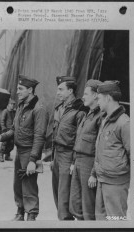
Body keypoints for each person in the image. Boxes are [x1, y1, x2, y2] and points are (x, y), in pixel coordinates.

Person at [0, 75, 47, 221]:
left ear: (30, 89)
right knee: (18, 184)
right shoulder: (21, 106)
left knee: (29, 186)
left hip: (29, 152)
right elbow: (14, 129)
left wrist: (33, 159)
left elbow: (39, 136)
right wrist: (0, 137)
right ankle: (20, 212)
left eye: (20, 89)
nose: (17, 92)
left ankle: (31, 216)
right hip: (19, 151)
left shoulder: (39, 109)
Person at [51, 76, 86, 220]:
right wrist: (53, 158)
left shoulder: (79, 111)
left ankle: (66, 222)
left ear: (70, 90)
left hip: (68, 155)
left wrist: (73, 162)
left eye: (61, 89)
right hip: (57, 155)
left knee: (65, 195)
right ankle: (63, 220)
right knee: (57, 193)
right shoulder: (59, 109)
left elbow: (79, 139)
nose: (57, 92)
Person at [95, 80, 130, 220]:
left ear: (108, 98)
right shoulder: (105, 119)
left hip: (116, 183)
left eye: (98, 98)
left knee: (116, 221)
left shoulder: (124, 122)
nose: (97, 102)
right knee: (101, 221)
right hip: (102, 179)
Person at [69, 79, 103, 220]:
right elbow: (78, 141)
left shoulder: (100, 116)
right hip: (78, 162)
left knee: (88, 204)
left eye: (86, 94)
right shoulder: (87, 114)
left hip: (89, 163)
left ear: (96, 95)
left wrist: (94, 173)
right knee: (75, 204)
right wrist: (73, 162)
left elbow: (99, 147)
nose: (83, 97)